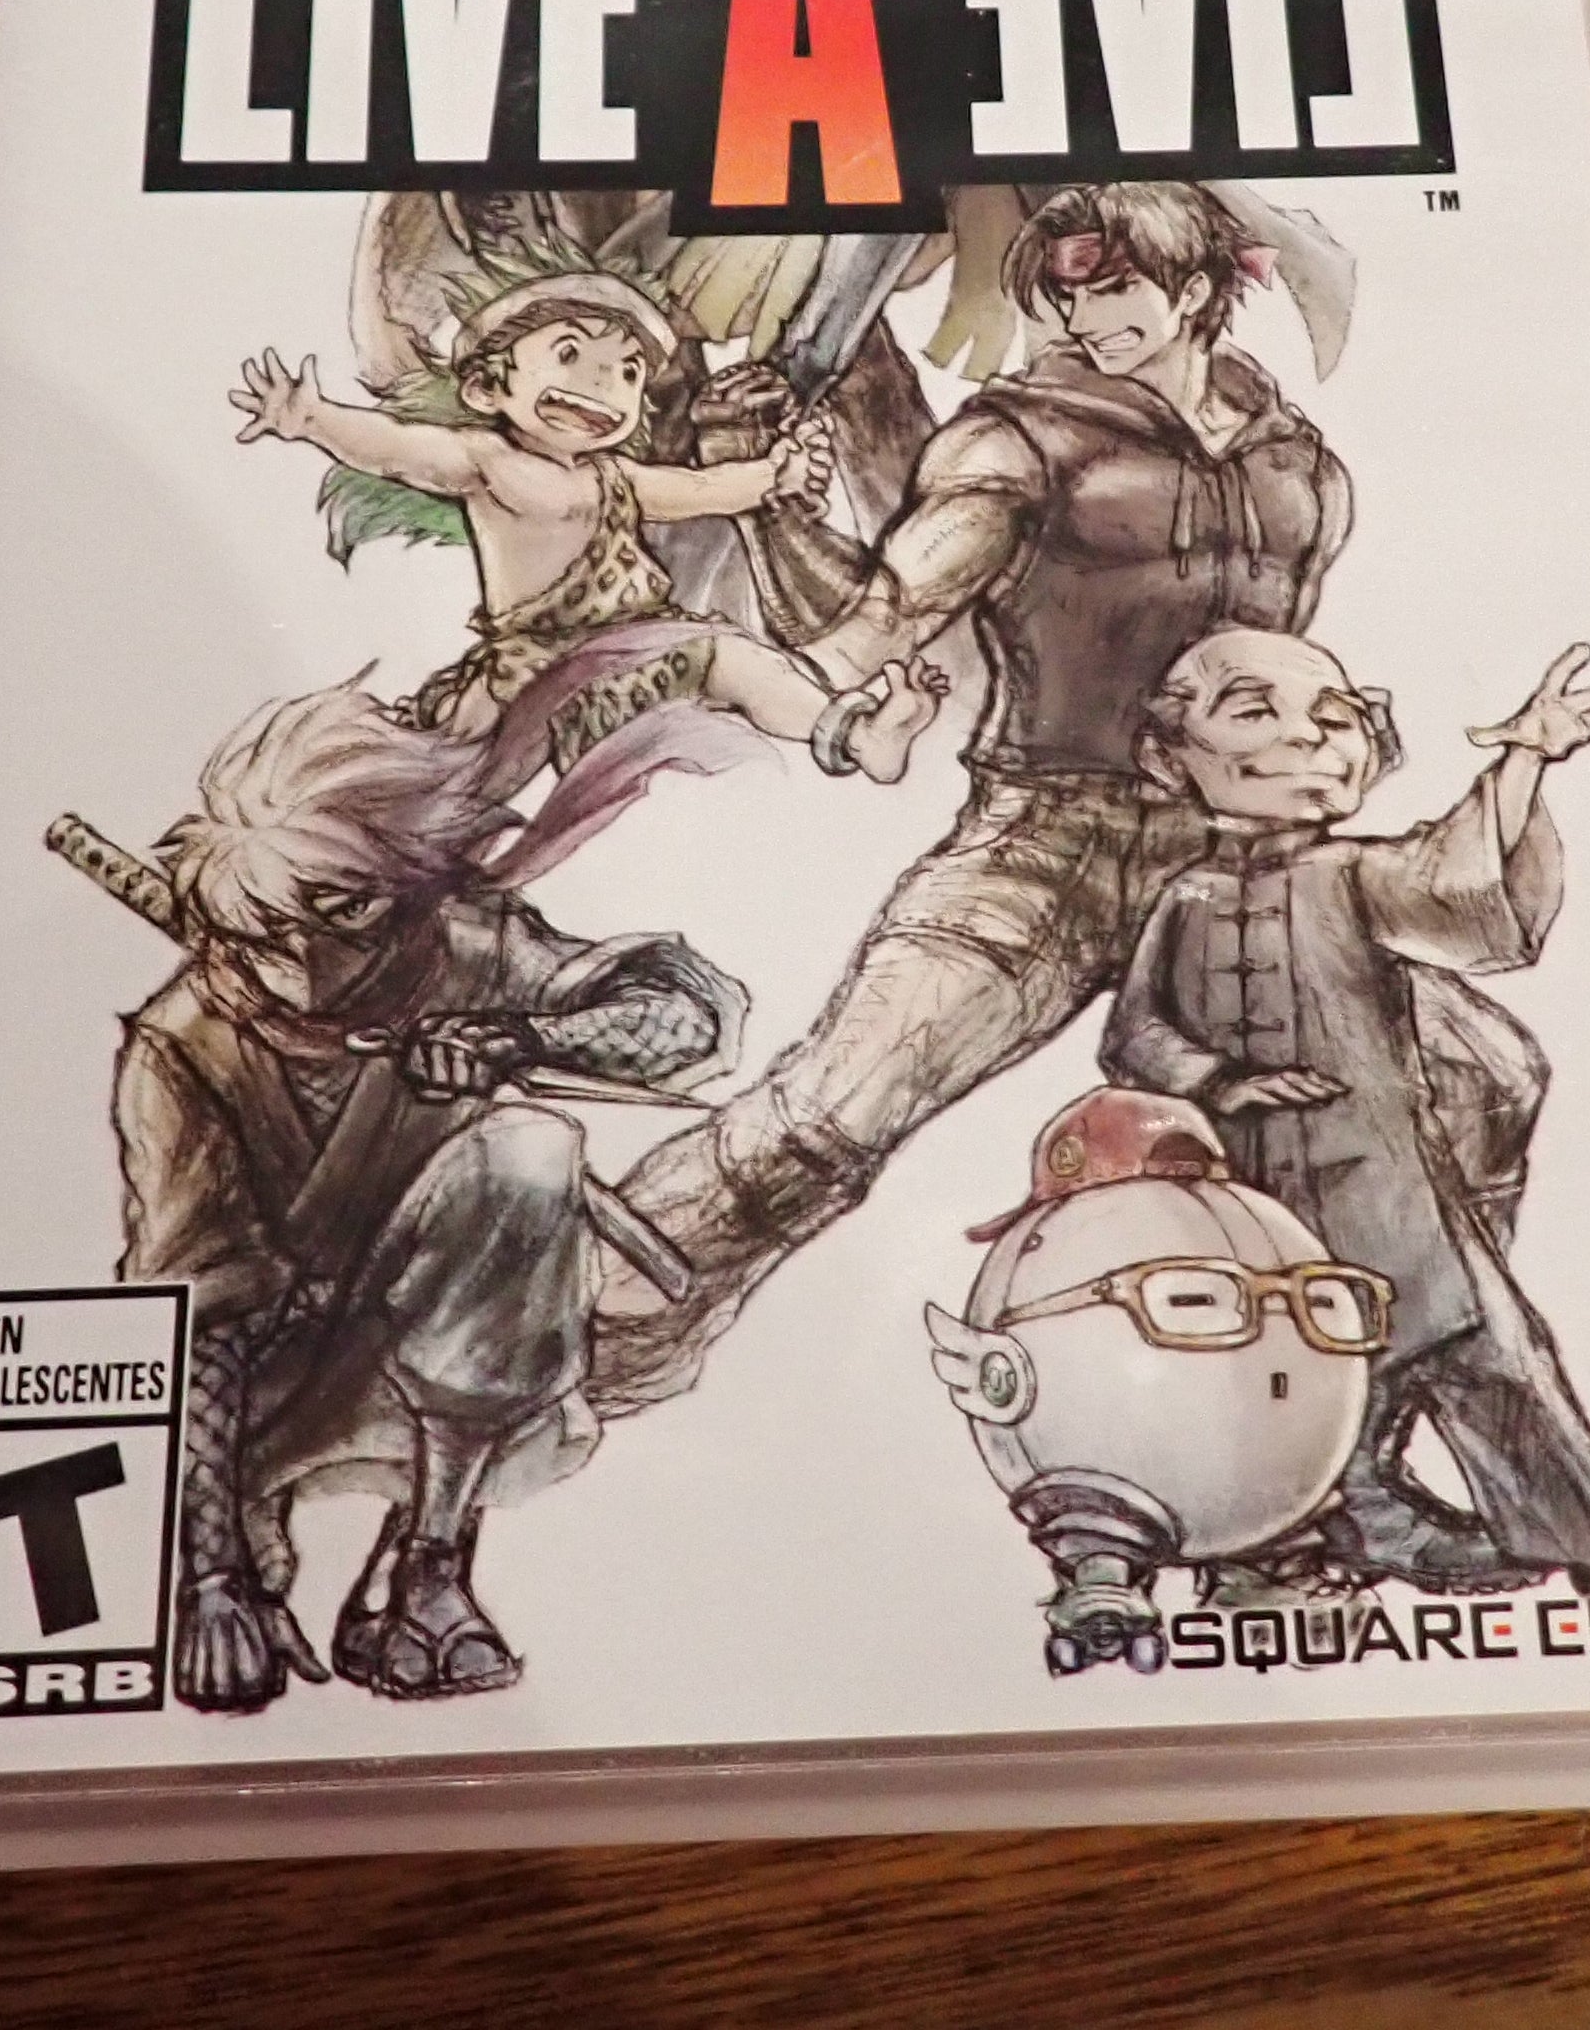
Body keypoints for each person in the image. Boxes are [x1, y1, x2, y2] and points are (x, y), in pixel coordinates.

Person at [592, 181, 1354, 1406]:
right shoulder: (1017, 442)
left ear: (1198, 289)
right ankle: (566, 1340)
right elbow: (883, 616)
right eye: (1066, 298)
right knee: (825, 1122)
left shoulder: (1297, 465)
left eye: (1116, 291)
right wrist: (779, 548)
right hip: (1045, 845)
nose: (1086, 320)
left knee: (1375, 1134)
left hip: (1236, 866)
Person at [115, 680, 749, 1708]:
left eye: (345, 912)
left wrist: (524, 1038)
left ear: (406, 877)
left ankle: (429, 1565)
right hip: (266, 1384)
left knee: (530, 1150)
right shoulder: (185, 1045)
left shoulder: (463, 944)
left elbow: (681, 1019)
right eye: (269, 930)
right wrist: (212, 1574)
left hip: (450, 1347)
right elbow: (200, 1318)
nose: (308, 964)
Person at [1101, 626, 1590, 1596]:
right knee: (1290, 1382)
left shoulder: (1352, 876)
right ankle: (1318, 1539)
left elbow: (1453, 887)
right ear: (1170, 756)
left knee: (1488, 1360)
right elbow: (1134, 1032)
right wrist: (1215, 1079)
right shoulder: (1182, 899)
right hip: (1254, 1211)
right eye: (1255, 712)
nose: (1306, 739)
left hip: (1391, 1190)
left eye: (1335, 720)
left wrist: (1522, 761)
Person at [231, 264, 942, 780]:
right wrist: (311, 419)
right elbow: (398, 450)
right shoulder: (487, 462)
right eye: (570, 355)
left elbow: (703, 489)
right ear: (487, 387)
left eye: (628, 372)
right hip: (533, 673)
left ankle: (856, 733)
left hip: (639, 650)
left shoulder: (614, 477)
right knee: (450, 771)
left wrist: (775, 475)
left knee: (738, 662)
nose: (602, 384)